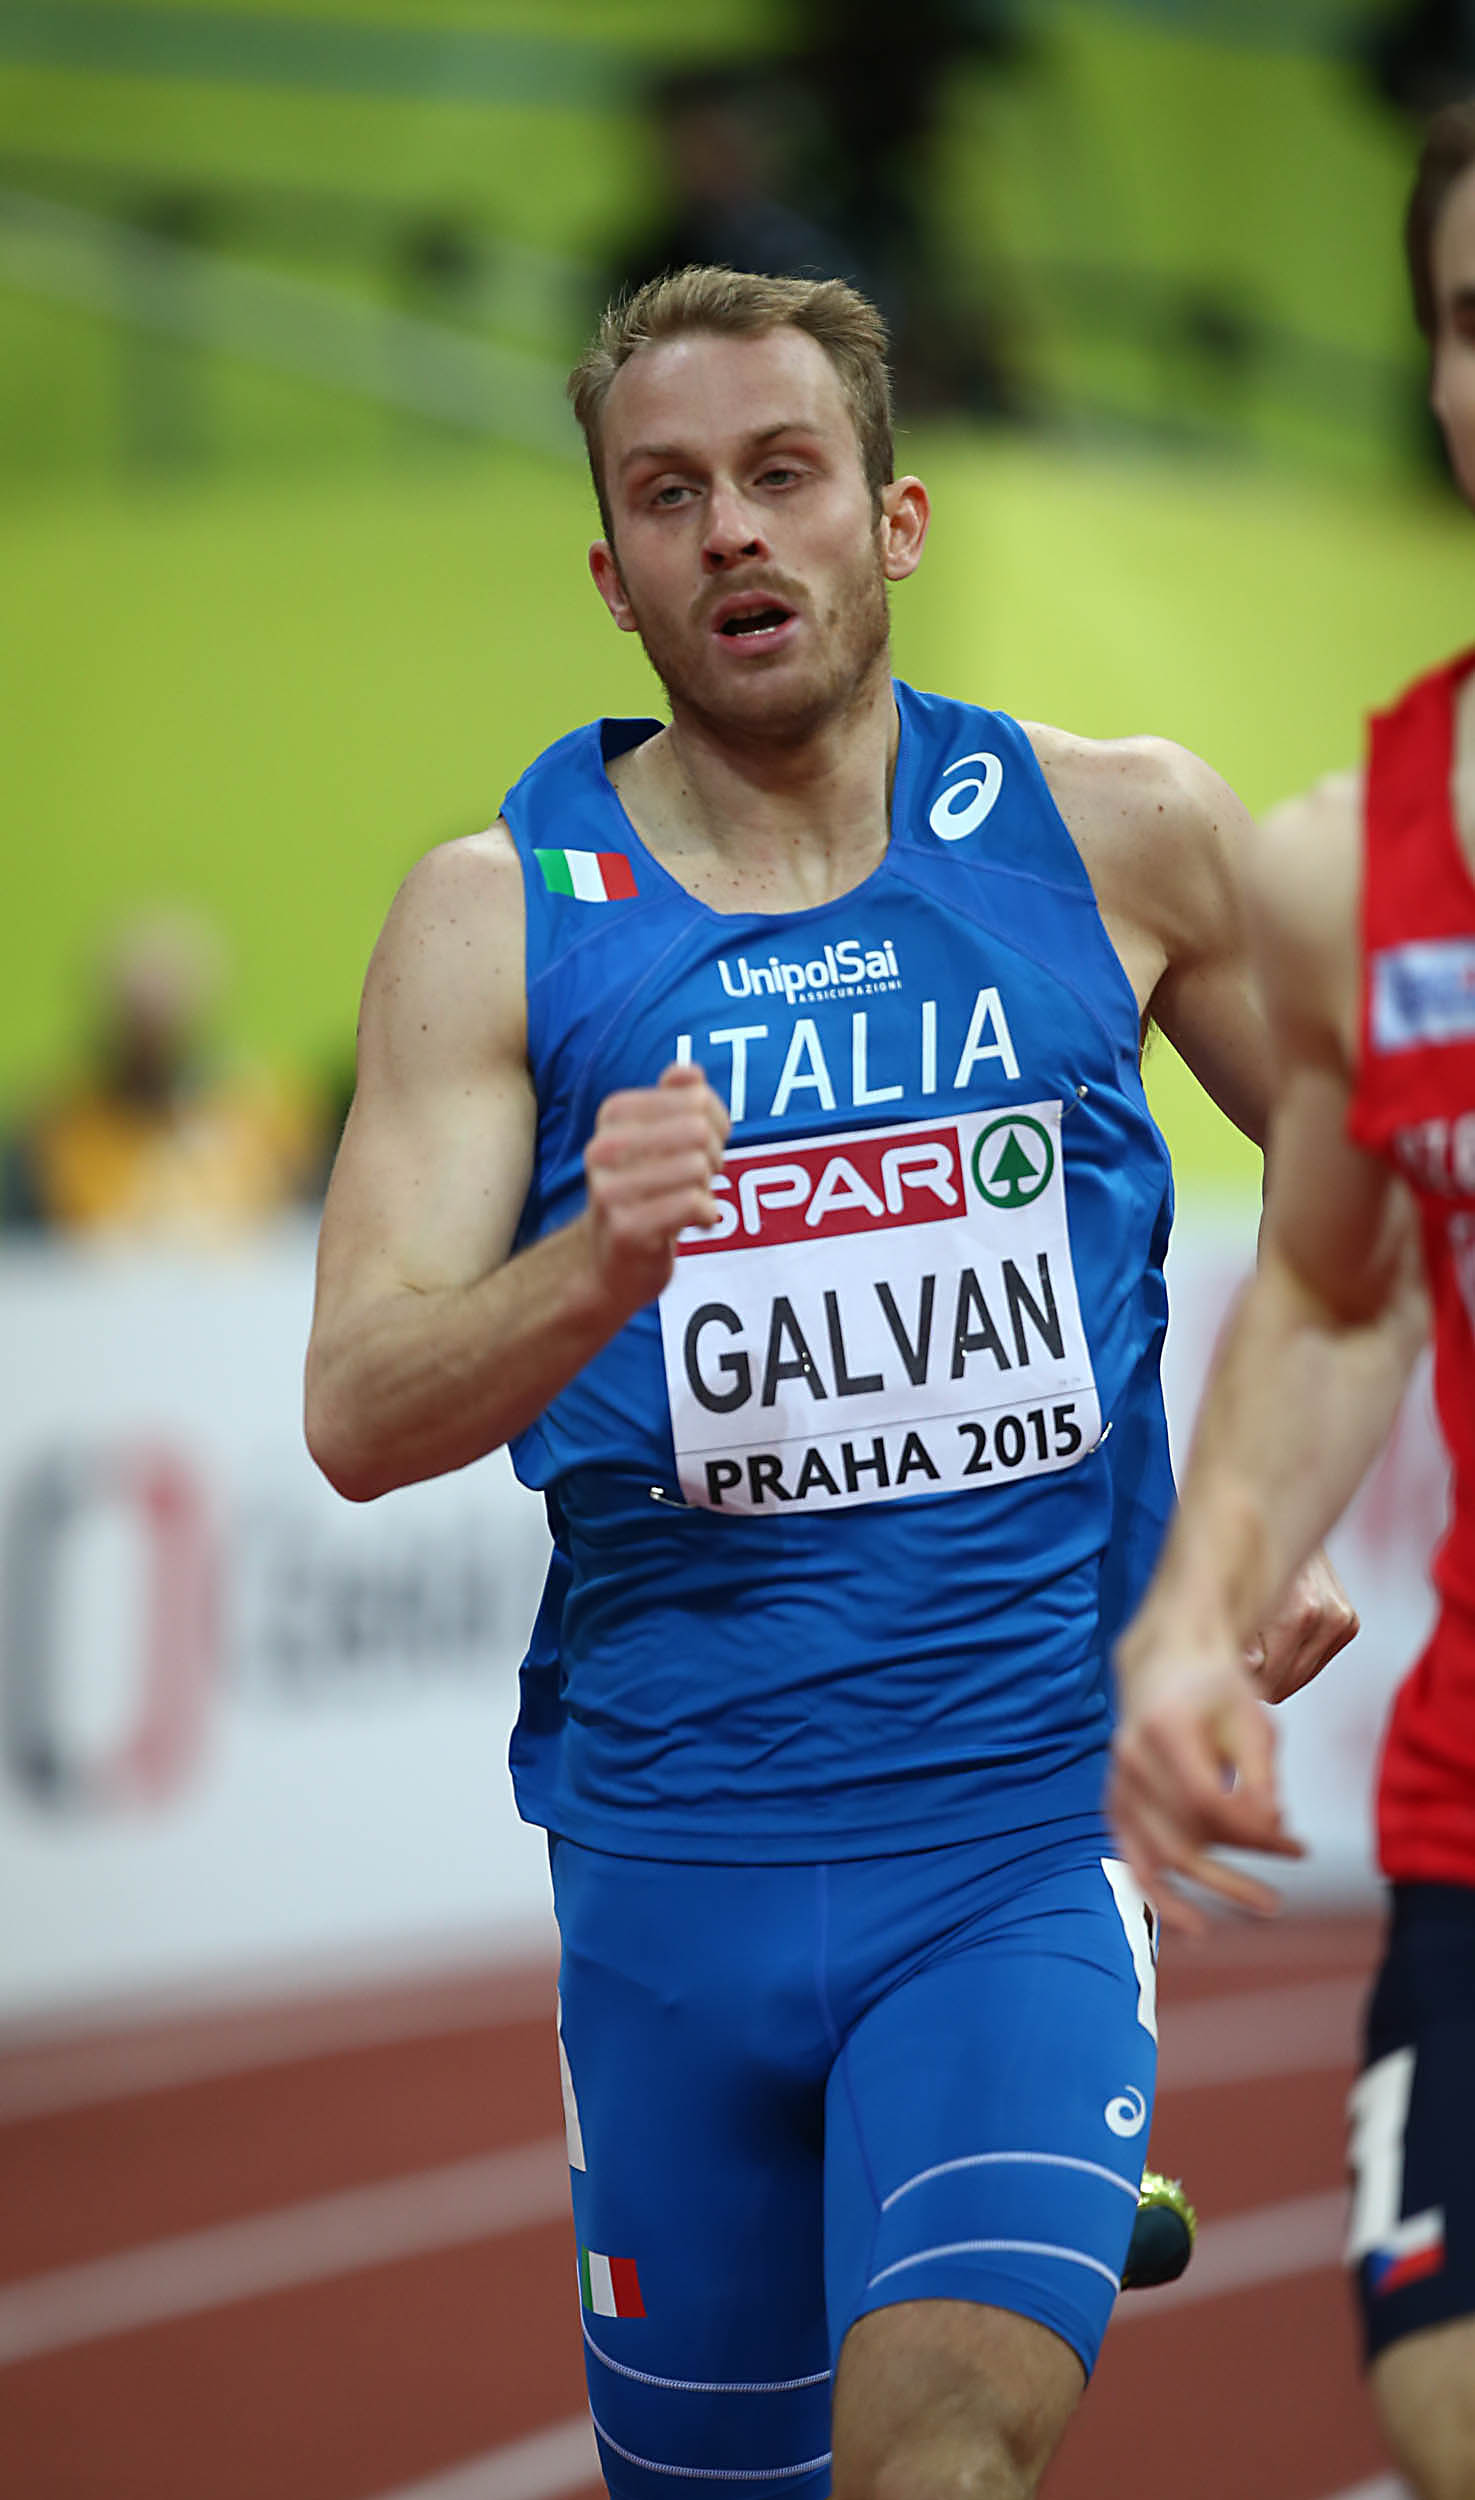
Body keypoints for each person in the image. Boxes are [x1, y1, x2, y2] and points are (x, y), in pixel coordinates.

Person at [305, 267, 1351, 2500]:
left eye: (782, 474)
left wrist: (1253, 1518)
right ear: (611, 573)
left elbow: (1382, 1179)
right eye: (668, 495)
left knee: (941, 2453)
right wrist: (591, 1265)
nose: (731, 532)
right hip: (665, 1861)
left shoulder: (1121, 835)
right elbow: (360, 1409)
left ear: (895, 519)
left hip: (1014, 1838)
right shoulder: (495, 920)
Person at [1110, 101, 1475, 2500]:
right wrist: (1190, 1613)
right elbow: (1341, 1293)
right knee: (1439, 2399)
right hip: (1474, 1801)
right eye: (1466, 319)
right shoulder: (1358, 862)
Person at [0, 908, 322, 1240]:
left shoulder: (266, 1115)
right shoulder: (49, 1127)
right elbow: (15, 1256)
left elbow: (302, 1234)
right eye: (137, 1014)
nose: (153, 1037)